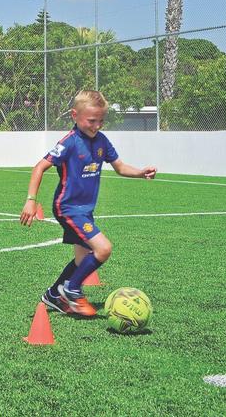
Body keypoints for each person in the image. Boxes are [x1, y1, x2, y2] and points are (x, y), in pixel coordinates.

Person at [20, 90, 156, 316]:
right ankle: (72, 290)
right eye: (92, 121)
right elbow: (39, 167)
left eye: (101, 120)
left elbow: (120, 167)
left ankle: (53, 294)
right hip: (68, 208)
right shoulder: (69, 142)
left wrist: (141, 172)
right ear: (75, 115)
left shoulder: (102, 141)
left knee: (82, 259)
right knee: (103, 249)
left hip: (85, 210)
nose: (97, 126)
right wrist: (31, 200)